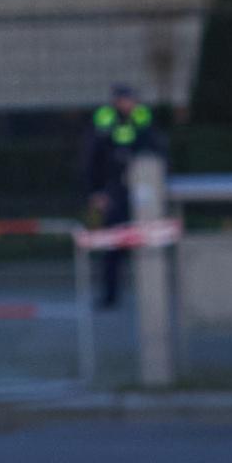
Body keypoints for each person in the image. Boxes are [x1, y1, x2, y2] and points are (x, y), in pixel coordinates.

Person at [77, 82, 158, 311]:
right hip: (113, 192)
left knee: (147, 242)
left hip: (141, 192)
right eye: (126, 99)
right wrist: (95, 192)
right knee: (112, 245)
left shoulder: (142, 118)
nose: (129, 104)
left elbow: (155, 149)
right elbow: (91, 159)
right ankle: (110, 297)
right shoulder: (104, 120)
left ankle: (151, 298)